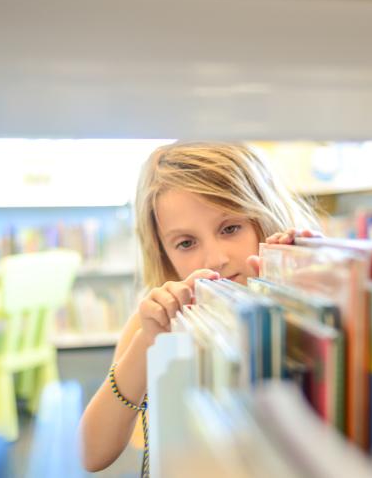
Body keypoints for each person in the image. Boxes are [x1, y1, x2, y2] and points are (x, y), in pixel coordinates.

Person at [80, 141, 321, 473]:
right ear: (164, 253)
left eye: (230, 228)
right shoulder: (153, 322)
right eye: (186, 243)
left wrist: (315, 282)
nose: (215, 259)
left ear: (264, 216)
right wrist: (147, 343)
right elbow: (93, 454)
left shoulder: (299, 295)